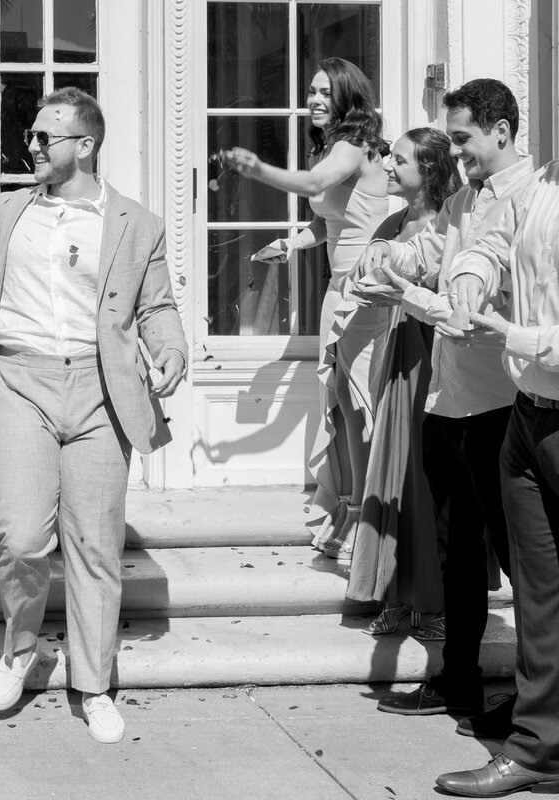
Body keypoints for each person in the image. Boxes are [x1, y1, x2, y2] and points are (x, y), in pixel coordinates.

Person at [0, 87, 187, 744]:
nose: (30, 146)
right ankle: (20, 650)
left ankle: (94, 682)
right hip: (19, 379)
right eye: (29, 136)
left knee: (95, 542)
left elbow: (157, 306)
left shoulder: (137, 224)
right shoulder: (6, 213)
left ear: (84, 145)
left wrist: (170, 350)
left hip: (101, 388)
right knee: (22, 536)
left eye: (42, 138)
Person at [356, 80, 532, 726]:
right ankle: (458, 682)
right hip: (444, 404)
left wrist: (406, 292)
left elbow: (469, 312)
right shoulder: (460, 202)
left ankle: (536, 707)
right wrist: (381, 261)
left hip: (501, 406)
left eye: (461, 138)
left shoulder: (530, 205)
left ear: (502, 132)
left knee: (524, 567)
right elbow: (424, 255)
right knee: (458, 557)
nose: (452, 150)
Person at [420, 160, 559, 798]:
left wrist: (515, 334)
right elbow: (494, 244)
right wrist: (473, 277)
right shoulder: (540, 185)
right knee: (538, 595)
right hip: (529, 418)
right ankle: (538, 749)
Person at [222, 57, 390, 560]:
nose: (313, 100)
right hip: (338, 290)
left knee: (358, 403)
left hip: (368, 291)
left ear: (346, 96)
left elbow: (316, 188)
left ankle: (367, 517)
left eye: (323, 92)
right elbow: (330, 220)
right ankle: (347, 506)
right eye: (310, 91)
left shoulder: (355, 144)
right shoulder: (332, 145)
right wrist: (292, 244)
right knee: (337, 401)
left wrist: (257, 168)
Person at [346, 128, 461, 636]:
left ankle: (433, 602)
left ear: (429, 170)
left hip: (432, 356)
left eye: (399, 160)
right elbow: (359, 276)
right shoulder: (393, 219)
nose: (388, 167)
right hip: (396, 351)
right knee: (391, 471)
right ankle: (395, 590)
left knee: (423, 476)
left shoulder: (450, 223)